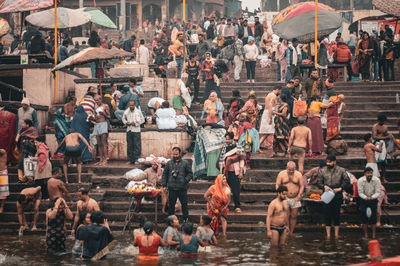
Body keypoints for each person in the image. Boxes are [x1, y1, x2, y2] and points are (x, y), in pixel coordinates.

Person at [317, 153, 350, 239]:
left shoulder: (341, 170)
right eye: (327, 162)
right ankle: (328, 235)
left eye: (330, 162)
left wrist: (340, 188)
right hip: (327, 192)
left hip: (337, 192)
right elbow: (319, 182)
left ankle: (336, 234)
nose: (328, 164)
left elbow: (347, 181)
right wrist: (324, 186)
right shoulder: (322, 170)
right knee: (327, 213)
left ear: (334, 162)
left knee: (336, 214)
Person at [162, 147, 193, 222]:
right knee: (171, 205)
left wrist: (185, 180)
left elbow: (190, 174)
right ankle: (170, 220)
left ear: (180, 154)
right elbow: (165, 174)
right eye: (174, 154)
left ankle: (185, 219)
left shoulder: (185, 163)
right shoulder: (169, 163)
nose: (175, 156)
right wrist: (164, 185)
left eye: (176, 154)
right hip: (172, 188)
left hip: (182, 188)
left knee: (184, 205)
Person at [219, 132, 245, 213]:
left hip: (235, 172)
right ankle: (226, 206)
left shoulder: (238, 147)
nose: (227, 141)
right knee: (226, 190)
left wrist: (241, 172)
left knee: (236, 190)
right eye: (226, 139)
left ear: (232, 139)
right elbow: (221, 159)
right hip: (226, 172)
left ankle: (237, 206)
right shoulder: (224, 147)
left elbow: (241, 160)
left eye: (229, 139)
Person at [275, 161, 304, 235]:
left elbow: (302, 186)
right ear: (286, 168)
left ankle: (291, 232)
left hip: (295, 197)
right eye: (289, 170)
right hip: (285, 197)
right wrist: (281, 195)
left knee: (294, 215)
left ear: (295, 168)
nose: (291, 171)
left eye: (292, 170)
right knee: (286, 215)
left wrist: (299, 195)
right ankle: (286, 231)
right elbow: (277, 185)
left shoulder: (298, 174)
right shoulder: (281, 174)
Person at [358, 167, 382, 239]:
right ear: (365, 173)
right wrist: (365, 197)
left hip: (373, 199)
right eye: (368, 173)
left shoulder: (377, 180)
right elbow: (360, 192)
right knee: (364, 216)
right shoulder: (360, 180)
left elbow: (378, 192)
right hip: (363, 199)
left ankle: (373, 234)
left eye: (371, 173)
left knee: (373, 217)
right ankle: (366, 234)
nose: (369, 174)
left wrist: (372, 197)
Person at [122, 100, 145, 165]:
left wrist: (136, 123)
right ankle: (131, 160)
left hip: (136, 130)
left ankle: (137, 159)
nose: (131, 106)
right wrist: (127, 123)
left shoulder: (138, 111)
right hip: (129, 130)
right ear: (129, 105)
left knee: (137, 145)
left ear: (134, 105)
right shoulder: (126, 112)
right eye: (130, 105)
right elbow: (123, 119)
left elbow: (142, 120)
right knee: (129, 145)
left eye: (132, 105)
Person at [372, 114, 390, 183]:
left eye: (384, 121)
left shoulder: (385, 127)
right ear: (378, 120)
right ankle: (377, 177)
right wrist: (384, 138)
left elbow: (386, 135)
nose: (383, 122)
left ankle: (383, 177)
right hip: (376, 144)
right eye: (381, 121)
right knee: (376, 162)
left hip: (383, 145)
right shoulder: (375, 127)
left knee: (383, 163)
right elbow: (374, 137)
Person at [93, 96, 110, 165]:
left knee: (104, 143)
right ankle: (101, 159)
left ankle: (105, 159)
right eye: (95, 100)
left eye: (97, 100)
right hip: (97, 125)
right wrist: (92, 118)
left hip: (103, 124)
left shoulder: (105, 106)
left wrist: (104, 114)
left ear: (101, 100)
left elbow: (109, 116)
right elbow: (95, 116)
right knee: (99, 143)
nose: (96, 102)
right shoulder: (95, 107)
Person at [0, 149, 8, 213]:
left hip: (3, 173)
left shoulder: (3, 151)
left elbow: (2, 151)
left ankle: (1, 207)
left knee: (3, 191)